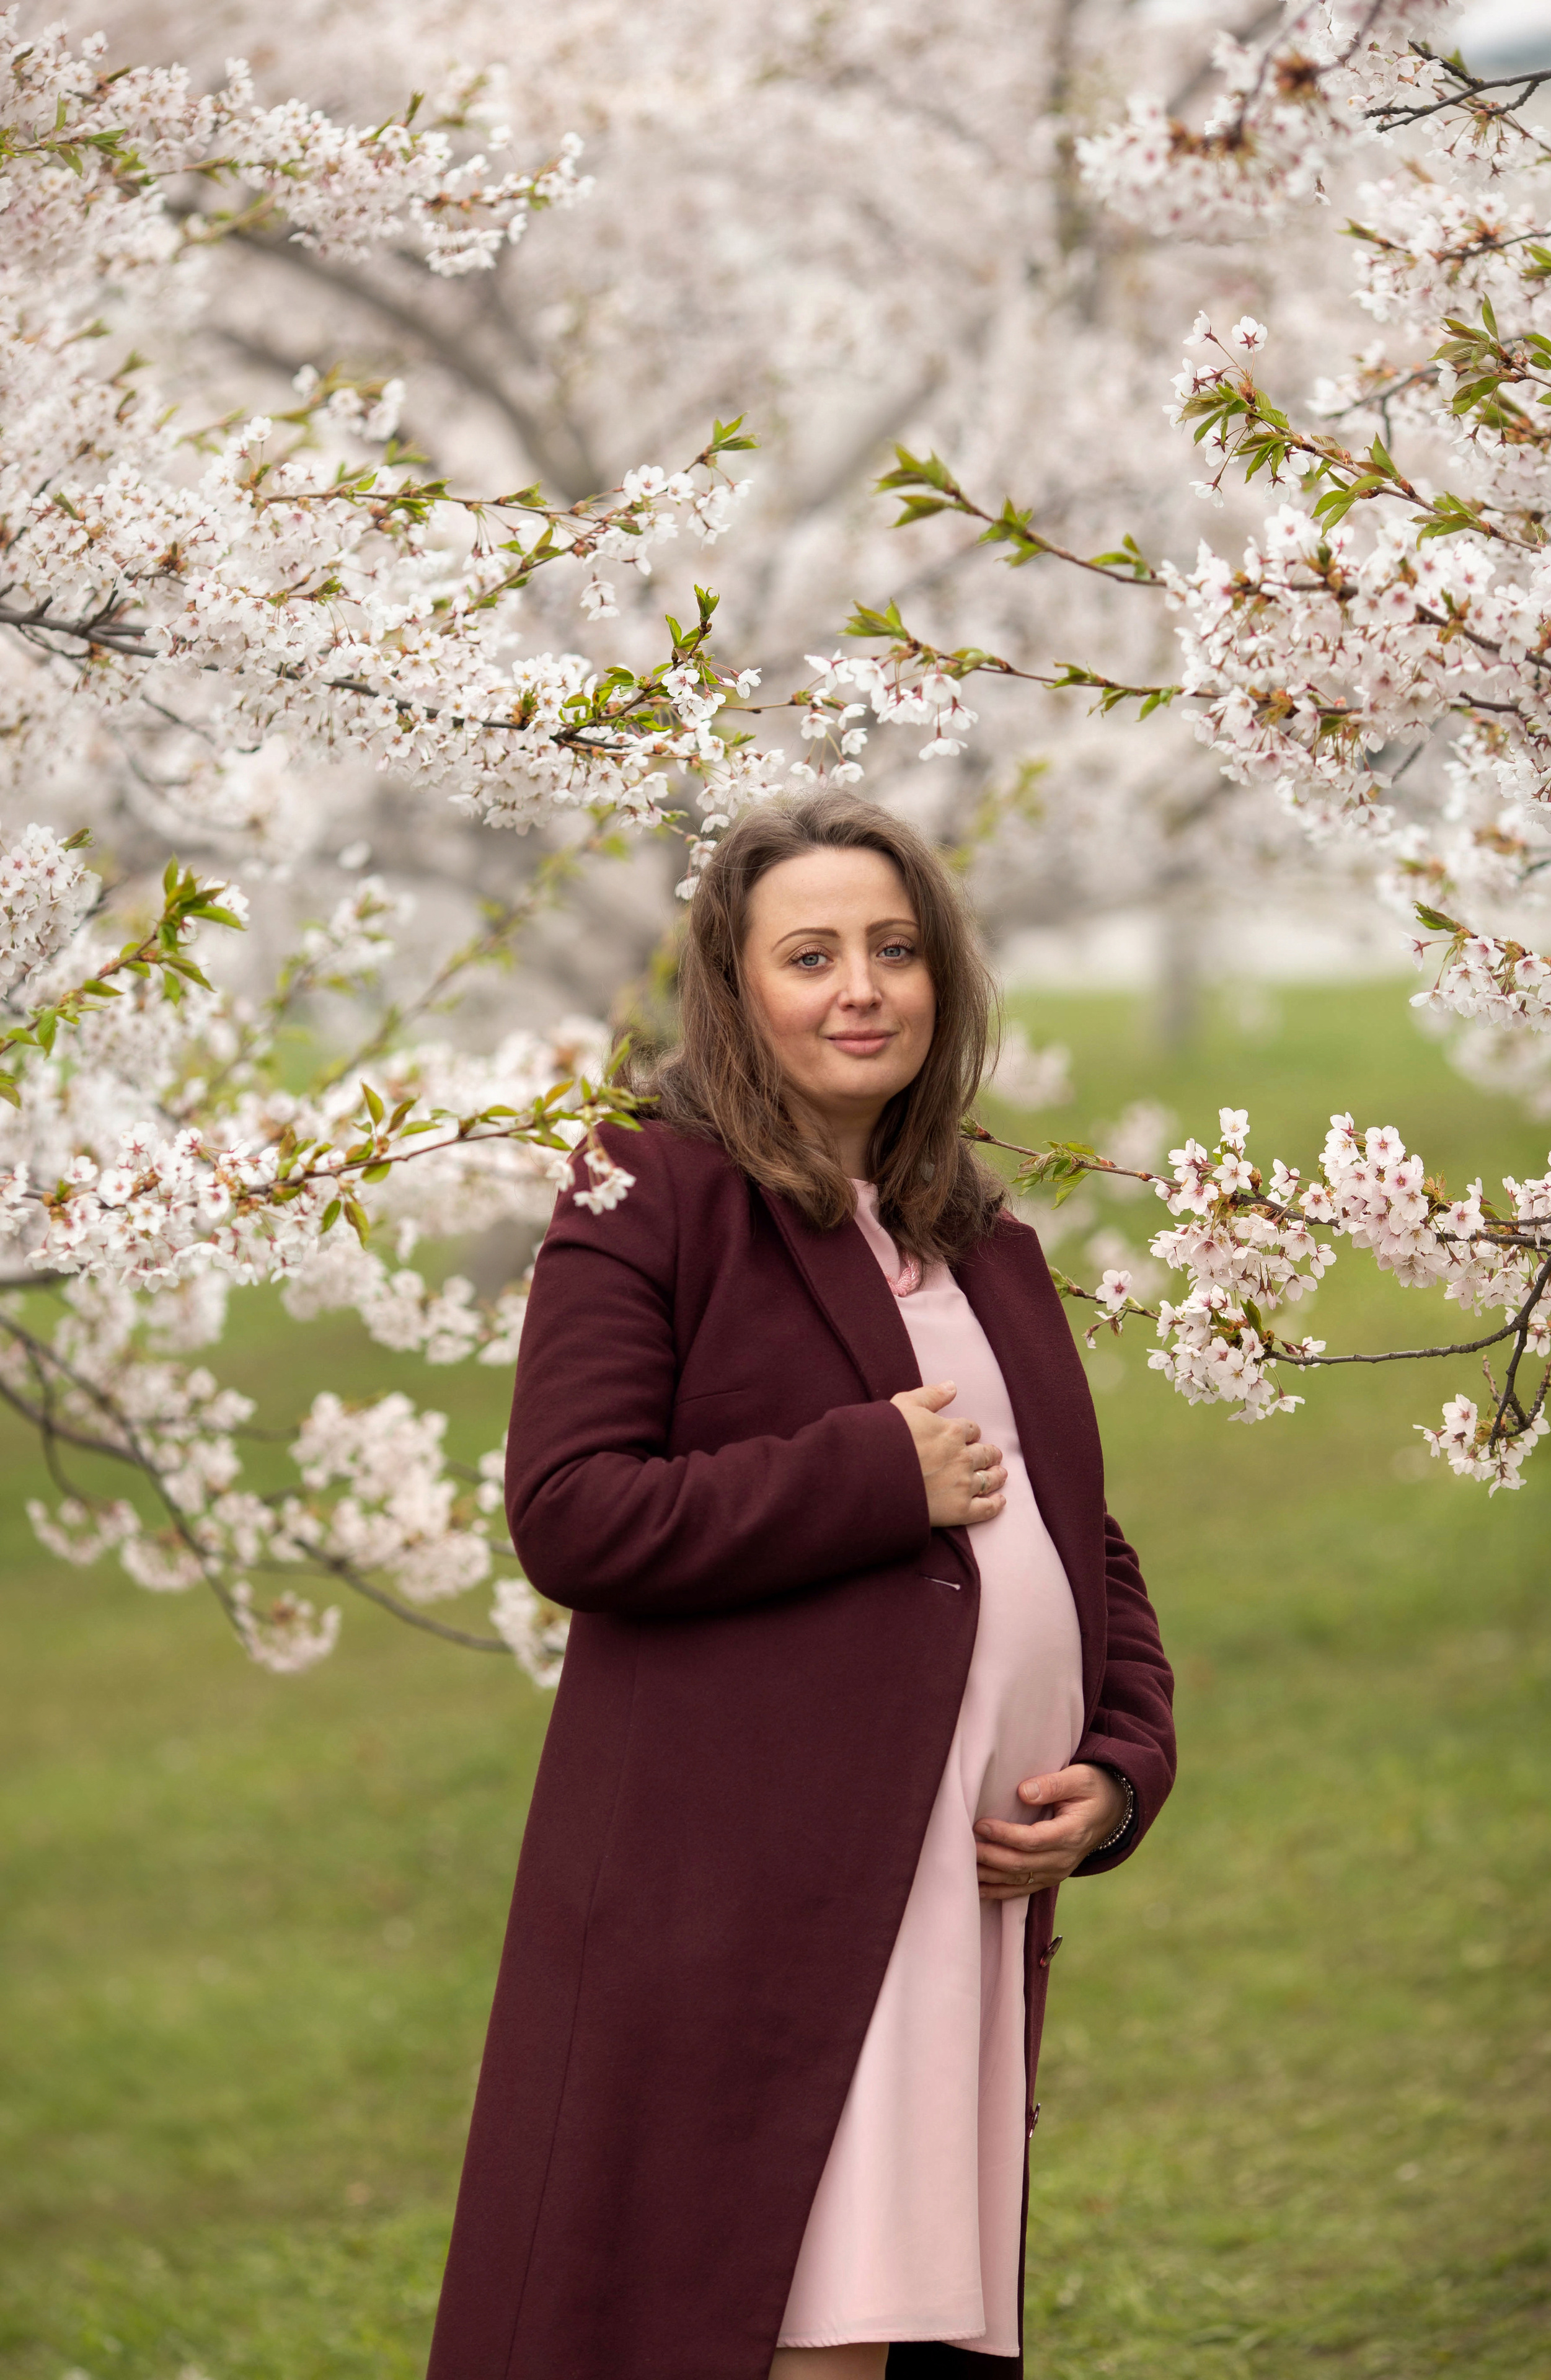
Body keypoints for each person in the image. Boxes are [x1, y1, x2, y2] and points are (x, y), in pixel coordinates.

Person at [426, 790, 1175, 2380]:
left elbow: (1082, 1543)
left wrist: (1120, 1767)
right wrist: (865, 1478)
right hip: (764, 1887)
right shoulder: (650, 1189)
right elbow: (570, 1511)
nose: (860, 989)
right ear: (734, 988)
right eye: (811, 953)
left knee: (881, 2332)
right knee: (791, 2323)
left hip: (953, 1896)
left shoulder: (974, 1235)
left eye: (894, 951)